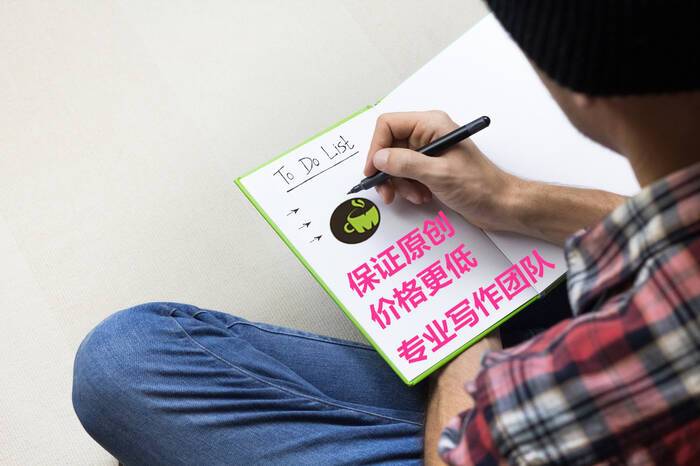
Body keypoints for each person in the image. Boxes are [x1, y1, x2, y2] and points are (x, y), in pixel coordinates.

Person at [72, 1, 700, 464]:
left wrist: (458, 312)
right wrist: (512, 200)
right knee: (127, 356)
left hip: (511, 423)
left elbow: (468, 450)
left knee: (123, 370)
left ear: (573, 85)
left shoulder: (632, 356)